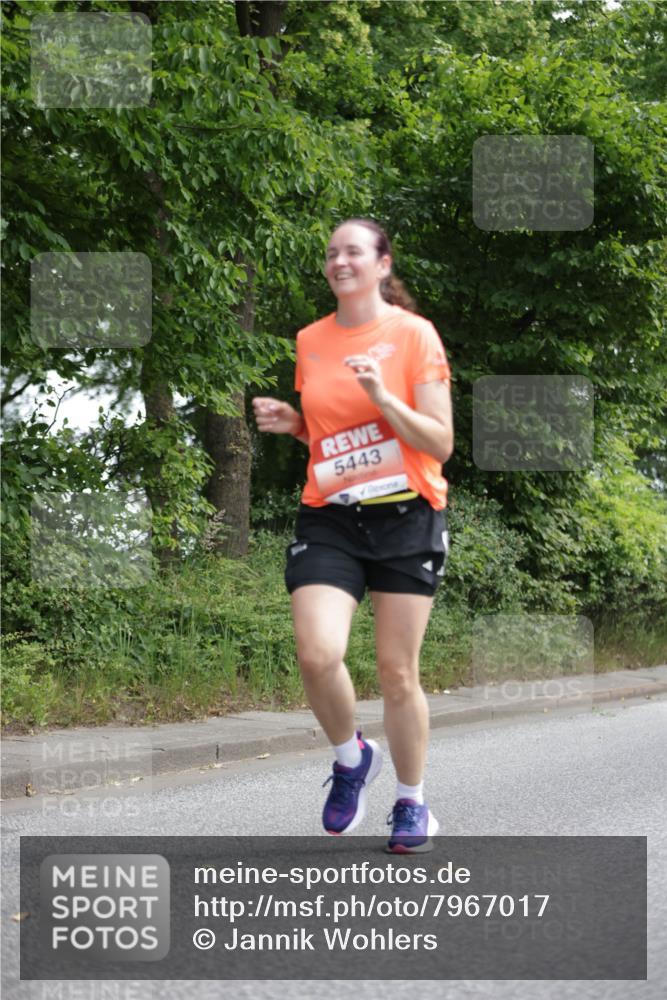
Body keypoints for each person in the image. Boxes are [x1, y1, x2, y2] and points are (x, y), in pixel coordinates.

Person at [252, 218, 453, 853]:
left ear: (383, 265)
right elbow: (334, 438)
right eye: (332, 252)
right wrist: (295, 425)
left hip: (407, 517)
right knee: (317, 653)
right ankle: (350, 759)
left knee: (397, 673)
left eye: (354, 251)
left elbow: (440, 442)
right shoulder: (310, 340)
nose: (339, 260)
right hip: (332, 515)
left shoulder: (414, 336)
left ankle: (412, 802)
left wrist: (384, 399)